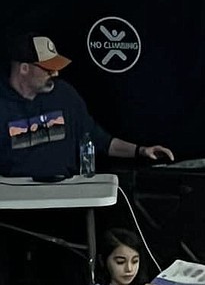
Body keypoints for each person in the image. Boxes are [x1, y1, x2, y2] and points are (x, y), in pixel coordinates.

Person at [0, 33, 173, 178]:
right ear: (24, 68)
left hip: (66, 196)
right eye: (48, 68)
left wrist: (141, 151)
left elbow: (98, 140)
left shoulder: (64, 96)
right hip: (14, 200)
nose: (56, 73)